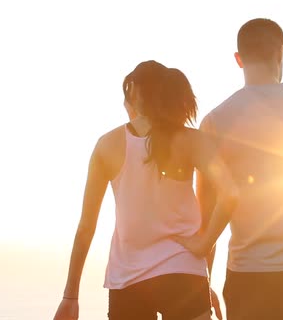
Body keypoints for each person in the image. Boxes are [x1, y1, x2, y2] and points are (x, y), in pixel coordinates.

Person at [174, 18, 283, 320]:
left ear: (238, 59)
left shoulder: (216, 122)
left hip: (250, 277)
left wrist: (202, 283)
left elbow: (206, 217)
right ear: (280, 53)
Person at [53, 60, 236, 320]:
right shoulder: (192, 140)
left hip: (128, 280)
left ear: (135, 92)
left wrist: (70, 297)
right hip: (184, 272)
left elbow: (86, 227)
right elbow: (232, 193)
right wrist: (204, 247)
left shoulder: (107, 145)